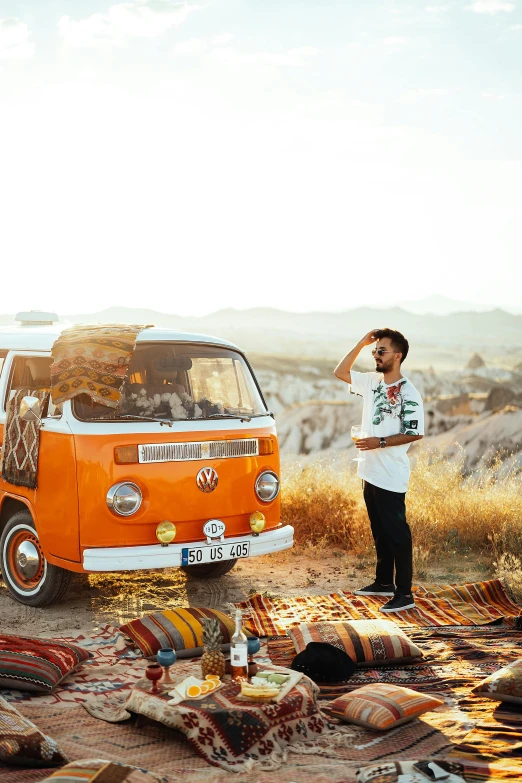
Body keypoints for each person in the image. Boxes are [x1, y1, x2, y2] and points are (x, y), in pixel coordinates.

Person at [334, 328, 424, 612]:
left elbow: (415, 432)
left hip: (390, 473)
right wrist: (362, 342)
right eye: (375, 351)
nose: (376, 355)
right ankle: (383, 582)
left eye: (381, 351)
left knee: (398, 533)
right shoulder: (372, 382)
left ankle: (405, 593)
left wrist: (380, 441)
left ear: (397, 356)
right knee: (379, 530)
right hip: (368, 470)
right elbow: (340, 371)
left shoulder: (409, 392)